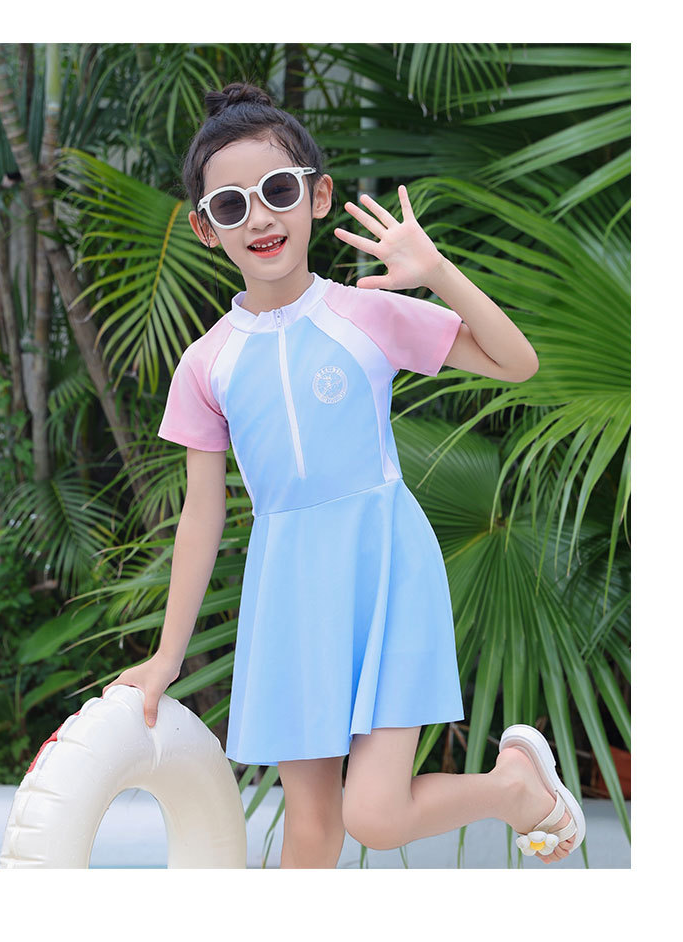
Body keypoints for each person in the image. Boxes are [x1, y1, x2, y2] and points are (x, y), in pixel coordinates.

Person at [103, 81, 584, 868]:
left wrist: (436, 271)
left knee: (376, 816)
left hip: (387, 571)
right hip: (288, 595)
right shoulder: (206, 364)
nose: (260, 218)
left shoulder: (368, 314)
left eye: (278, 191)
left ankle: (513, 786)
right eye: (232, 205)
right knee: (312, 828)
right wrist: (165, 657)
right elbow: (200, 516)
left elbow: (516, 361)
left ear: (317, 196)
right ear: (205, 228)